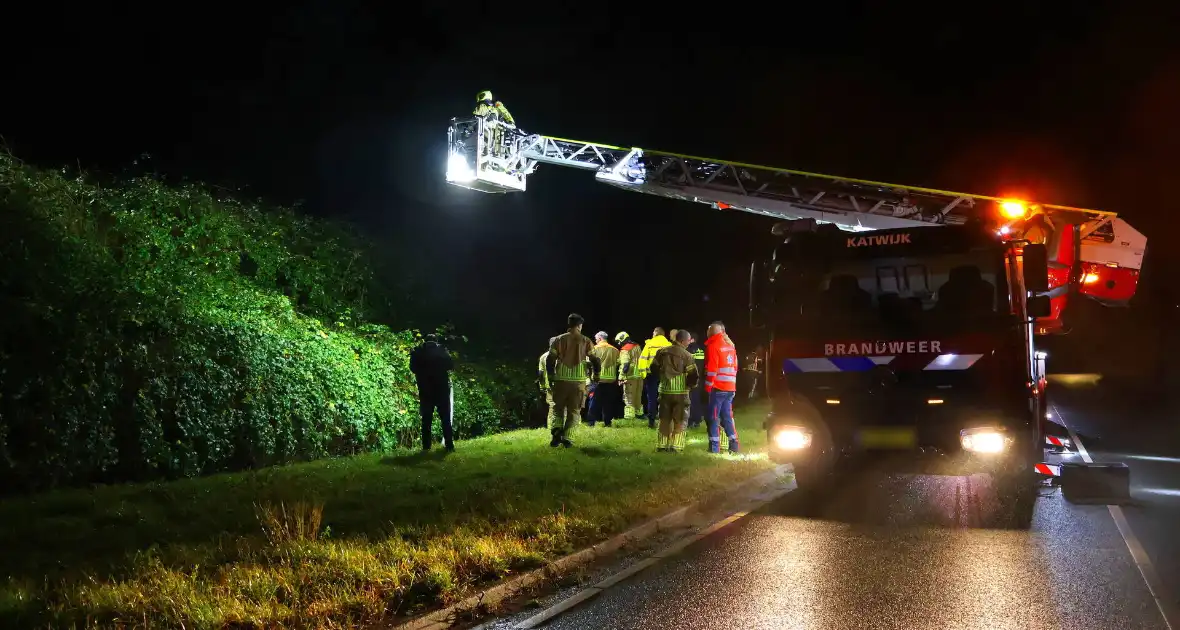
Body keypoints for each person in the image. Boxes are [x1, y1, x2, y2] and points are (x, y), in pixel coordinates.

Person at [546, 313, 601, 448]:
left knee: (558, 409)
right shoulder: (586, 340)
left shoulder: (558, 339)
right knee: (574, 411)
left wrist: (551, 375)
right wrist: (596, 375)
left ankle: (556, 430)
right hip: (578, 382)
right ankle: (568, 438)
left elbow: (550, 359)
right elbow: (595, 360)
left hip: (560, 380)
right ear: (580, 325)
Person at [653, 330, 698, 452]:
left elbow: (653, 368)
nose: (689, 343)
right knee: (680, 419)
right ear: (683, 341)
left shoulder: (661, 352)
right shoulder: (687, 355)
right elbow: (693, 375)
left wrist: (662, 379)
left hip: (664, 392)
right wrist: (690, 386)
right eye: (688, 341)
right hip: (681, 393)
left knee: (664, 419)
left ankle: (662, 446)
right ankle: (676, 447)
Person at [410, 333, 456, 451]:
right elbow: (451, 365)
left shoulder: (418, 351)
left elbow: (413, 368)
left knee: (426, 419)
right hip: (441, 389)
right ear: (436, 341)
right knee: (445, 418)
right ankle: (449, 445)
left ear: (425, 341)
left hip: (425, 389)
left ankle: (426, 446)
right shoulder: (442, 350)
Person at [704, 321, 741, 454]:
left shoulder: (713, 346)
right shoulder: (730, 346)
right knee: (727, 416)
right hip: (730, 387)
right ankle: (734, 445)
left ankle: (714, 448)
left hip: (718, 387)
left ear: (711, 332)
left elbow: (712, 369)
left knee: (713, 417)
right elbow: (735, 367)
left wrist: (708, 387)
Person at [638, 327, 672, 428]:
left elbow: (642, 359)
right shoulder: (669, 345)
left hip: (651, 374)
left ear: (655, 333)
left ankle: (651, 421)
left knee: (651, 398)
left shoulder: (649, 344)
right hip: (665, 375)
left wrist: (643, 374)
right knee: (665, 398)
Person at [588, 331, 620, 426]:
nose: (596, 341)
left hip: (598, 379)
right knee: (608, 402)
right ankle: (607, 422)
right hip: (611, 380)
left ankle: (591, 422)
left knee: (594, 401)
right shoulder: (615, 350)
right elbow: (618, 363)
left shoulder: (594, 349)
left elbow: (589, 362)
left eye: (596, 339)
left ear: (600, 338)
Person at [473, 90, 516, 158]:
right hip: (489, 130)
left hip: (492, 130)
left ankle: (494, 158)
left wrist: (510, 122)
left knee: (492, 149)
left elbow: (505, 113)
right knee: (488, 149)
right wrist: (511, 122)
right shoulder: (488, 107)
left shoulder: (490, 106)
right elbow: (474, 117)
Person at [616, 332, 644, 422]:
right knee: (638, 396)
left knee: (628, 396)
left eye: (619, 341)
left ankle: (629, 417)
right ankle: (639, 414)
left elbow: (626, 364)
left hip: (630, 376)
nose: (619, 344)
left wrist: (621, 377)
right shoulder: (637, 346)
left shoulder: (625, 349)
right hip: (639, 376)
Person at [686, 332, 707, 428]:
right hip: (700, 378)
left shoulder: (688, 349)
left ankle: (690, 421)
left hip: (690, 378)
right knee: (697, 399)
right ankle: (697, 420)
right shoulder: (702, 350)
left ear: (692, 339)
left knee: (690, 400)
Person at [538, 337, 558, 430]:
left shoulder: (543, 356)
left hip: (549, 385)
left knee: (552, 405)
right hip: (563, 383)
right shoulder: (563, 355)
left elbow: (541, 373)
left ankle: (550, 425)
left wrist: (541, 386)